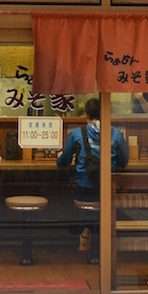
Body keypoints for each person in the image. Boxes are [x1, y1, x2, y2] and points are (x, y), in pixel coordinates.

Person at [57, 98, 129, 250]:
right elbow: (123, 161)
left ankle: (86, 232)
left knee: (66, 195)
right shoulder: (116, 134)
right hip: (107, 191)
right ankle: (95, 237)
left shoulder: (76, 133)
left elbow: (63, 161)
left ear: (87, 115)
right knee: (102, 200)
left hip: (83, 192)